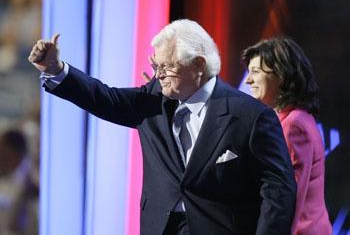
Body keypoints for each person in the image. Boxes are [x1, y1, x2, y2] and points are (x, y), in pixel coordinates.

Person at [28, 19, 296, 235]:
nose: (158, 75)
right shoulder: (153, 99)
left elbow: (278, 190)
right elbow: (106, 99)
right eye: (155, 66)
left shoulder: (250, 116)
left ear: (198, 65)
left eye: (166, 67)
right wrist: (56, 69)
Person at [242, 36, 332, 235]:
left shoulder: (294, 124)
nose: (248, 80)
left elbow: (288, 196)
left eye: (255, 72)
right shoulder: (291, 119)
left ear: (281, 75)